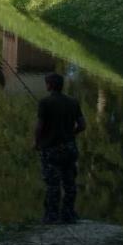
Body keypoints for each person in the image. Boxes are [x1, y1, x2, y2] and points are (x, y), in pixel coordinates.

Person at [34, 72, 85, 224]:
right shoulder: (73, 102)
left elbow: (39, 127)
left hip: (51, 149)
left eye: (46, 83)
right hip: (70, 148)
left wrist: (37, 142)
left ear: (50, 85)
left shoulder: (45, 102)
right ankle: (69, 214)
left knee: (53, 184)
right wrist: (71, 135)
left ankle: (51, 216)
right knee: (69, 183)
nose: (46, 85)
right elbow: (82, 125)